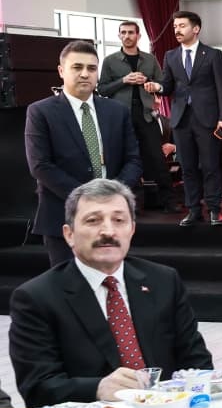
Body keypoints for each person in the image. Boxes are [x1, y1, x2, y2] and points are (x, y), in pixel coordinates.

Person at [7, 179, 212, 407]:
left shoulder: (163, 281)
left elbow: (197, 362)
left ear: (132, 229)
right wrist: (97, 388)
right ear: (69, 234)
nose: (108, 231)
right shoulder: (36, 298)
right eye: (93, 221)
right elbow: (37, 388)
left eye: (119, 220)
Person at [25, 40, 141, 266]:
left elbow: (134, 160)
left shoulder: (117, 111)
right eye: (77, 67)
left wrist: (112, 195)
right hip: (64, 216)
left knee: (110, 282)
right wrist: (88, 198)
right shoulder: (40, 112)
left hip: (113, 217)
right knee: (70, 285)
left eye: (91, 68)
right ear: (61, 71)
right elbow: (40, 165)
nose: (85, 74)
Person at [145, 10, 222, 226]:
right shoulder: (171, 56)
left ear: (196, 29)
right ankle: (194, 209)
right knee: (188, 168)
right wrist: (157, 86)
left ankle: (214, 209)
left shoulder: (212, 55)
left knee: (210, 165)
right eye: (175, 26)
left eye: (182, 26)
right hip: (181, 120)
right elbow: (167, 86)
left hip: (208, 119)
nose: (177, 30)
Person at [98, 21, 178, 213]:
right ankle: (127, 205)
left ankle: (169, 202)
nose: (127, 36)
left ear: (138, 36)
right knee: (123, 159)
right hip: (120, 116)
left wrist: (148, 81)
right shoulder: (110, 61)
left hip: (146, 115)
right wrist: (124, 80)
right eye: (123, 32)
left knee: (157, 158)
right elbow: (102, 89)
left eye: (131, 32)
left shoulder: (150, 59)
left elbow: (162, 84)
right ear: (119, 35)